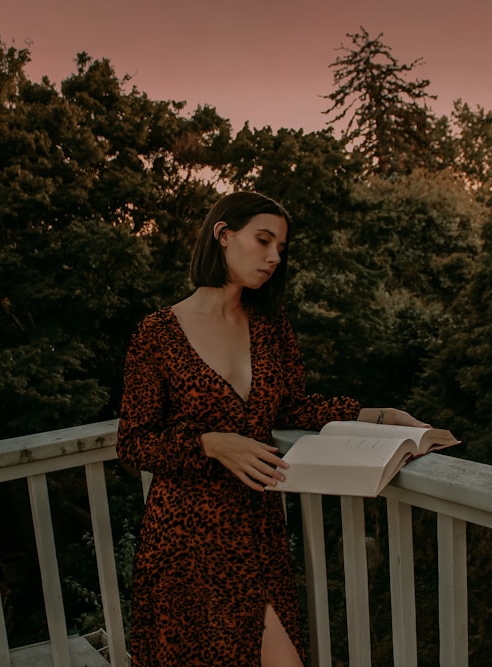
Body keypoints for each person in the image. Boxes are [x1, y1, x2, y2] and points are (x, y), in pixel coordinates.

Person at [116, 191, 429, 666]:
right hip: (186, 541)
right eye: (263, 241)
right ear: (223, 234)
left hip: (258, 533)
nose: (273, 258)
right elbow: (134, 442)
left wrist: (377, 416)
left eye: (280, 248)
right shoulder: (157, 333)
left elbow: (293, 407)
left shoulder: (269, 326)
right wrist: (210, 444)